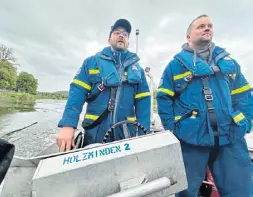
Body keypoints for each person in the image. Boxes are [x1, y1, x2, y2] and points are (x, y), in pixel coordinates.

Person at [156, 14, 253, 196]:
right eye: (200, 26)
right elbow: (163, 98)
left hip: (229, 137)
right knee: (186, 191)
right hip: (191, 140)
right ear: (188, 36)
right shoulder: (174, 66)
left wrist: (246, 122)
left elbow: (244, 95)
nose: (206, 28)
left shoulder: (230, 63)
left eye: (209, 25)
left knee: (241, 190)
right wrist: (173, 128)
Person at [56, 19, 151, 152]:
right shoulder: (90, 63)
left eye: (125, 34)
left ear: (128, 42)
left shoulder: (138, 70)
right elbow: (77, 93)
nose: (121, 35)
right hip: (95, 133)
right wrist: (68, 125)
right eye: (117, 32)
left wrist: (144, 135)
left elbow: (144, 103)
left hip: (126, 135)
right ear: (109, 39)